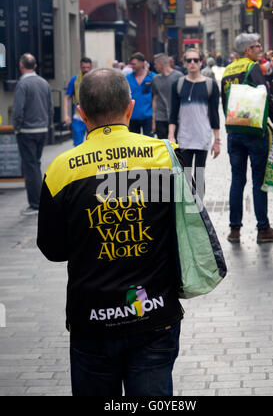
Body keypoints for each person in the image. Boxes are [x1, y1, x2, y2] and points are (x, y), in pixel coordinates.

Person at [37, 68, 185, 396]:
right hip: (154, 312)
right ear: (131, 108)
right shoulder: (166, 156)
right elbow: (187, 229)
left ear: (81, 114)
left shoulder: (60, 169)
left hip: (92, 316)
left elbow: (52, 248)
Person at [221, 33, 273, 244]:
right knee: (259, 181)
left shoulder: (227, 70)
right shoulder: (252, 67)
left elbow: (225, 103)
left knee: (237, 180)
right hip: (254, 131)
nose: (260, 49)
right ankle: (263, 229)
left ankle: (234, 229)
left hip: (234, 131)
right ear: (248, 50)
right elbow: (265, 97)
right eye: (257, 46)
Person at [169, 48, 221, 199]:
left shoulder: (210, 85)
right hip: (184, 137)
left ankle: (199, 209)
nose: (192, 63)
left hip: (202, 136)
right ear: (184, 63)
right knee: (183, 174)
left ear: (201, 62)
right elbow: (173, 113)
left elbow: (214, 114)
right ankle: (186, 206)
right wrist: (171, 136)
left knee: (199, 173)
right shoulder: (177, 84)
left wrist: (217, 140)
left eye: (196, 60)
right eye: (189, 60)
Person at [13, 53, 53, 216]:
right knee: (36, 164)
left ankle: (35, 203)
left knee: (30, 167)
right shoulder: (44, 83)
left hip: (27, 131)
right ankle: (41, 199)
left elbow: (18, 110)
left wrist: (17, 128)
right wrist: (48, 125)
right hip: (42, 129)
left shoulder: (22, 85)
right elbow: (50, 107)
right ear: (35, 66)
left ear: (21, 66)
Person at [152, 53, 183, 139]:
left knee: (175, 148)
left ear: (161, 64)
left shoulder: (178, 76)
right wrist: (153, 120)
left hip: (176, 117)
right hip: (160, 118)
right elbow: (155, 98)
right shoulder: (155, 79)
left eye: (155, 64)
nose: (154, 66)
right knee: (163, 146)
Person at [64, 57, 93, 146]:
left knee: (93, 143)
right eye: (84, 67)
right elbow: (66, 97)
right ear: (80, 67)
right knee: (78, 145)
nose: (86, 70)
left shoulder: (96, 79)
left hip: (93, 116)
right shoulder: (74, 80)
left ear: (91, 67)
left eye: (88, 67)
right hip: (78, 116)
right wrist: (65, 115)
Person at [126, 52, 156, 136]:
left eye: (134, 64)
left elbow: (156, 97)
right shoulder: (127, 78)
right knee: (134, 144)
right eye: (131, 64)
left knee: (149, 143)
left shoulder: (152, 77)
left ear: (142, 63)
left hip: (148, 116)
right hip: (133, 117)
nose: (132, 66)